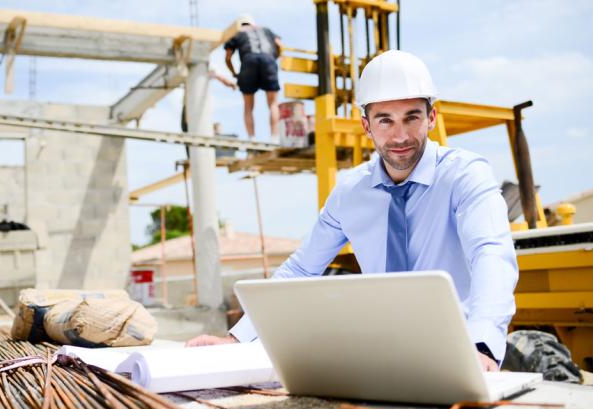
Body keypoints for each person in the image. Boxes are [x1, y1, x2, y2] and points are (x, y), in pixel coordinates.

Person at [186, 50, 518, 372]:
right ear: (366, 126)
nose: (400, 135)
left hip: (461, 351)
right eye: (385, 120)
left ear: (431, 117)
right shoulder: (351, 192)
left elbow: (490, 253)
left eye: (411, 117)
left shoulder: (465, 175)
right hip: (384, 353)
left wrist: (483, 346)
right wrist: (237, 338)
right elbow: (302, 269)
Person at [224, 13, 283, 142]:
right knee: (273, 103)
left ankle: (252, 138)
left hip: (248, 61)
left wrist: (234, 73)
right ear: (253, 23)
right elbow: (279, 45)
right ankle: (274, 138)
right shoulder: (265, 29)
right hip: (269, 60)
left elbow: (228, 57)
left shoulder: (238, 32)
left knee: (248, 106)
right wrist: (273, 59)